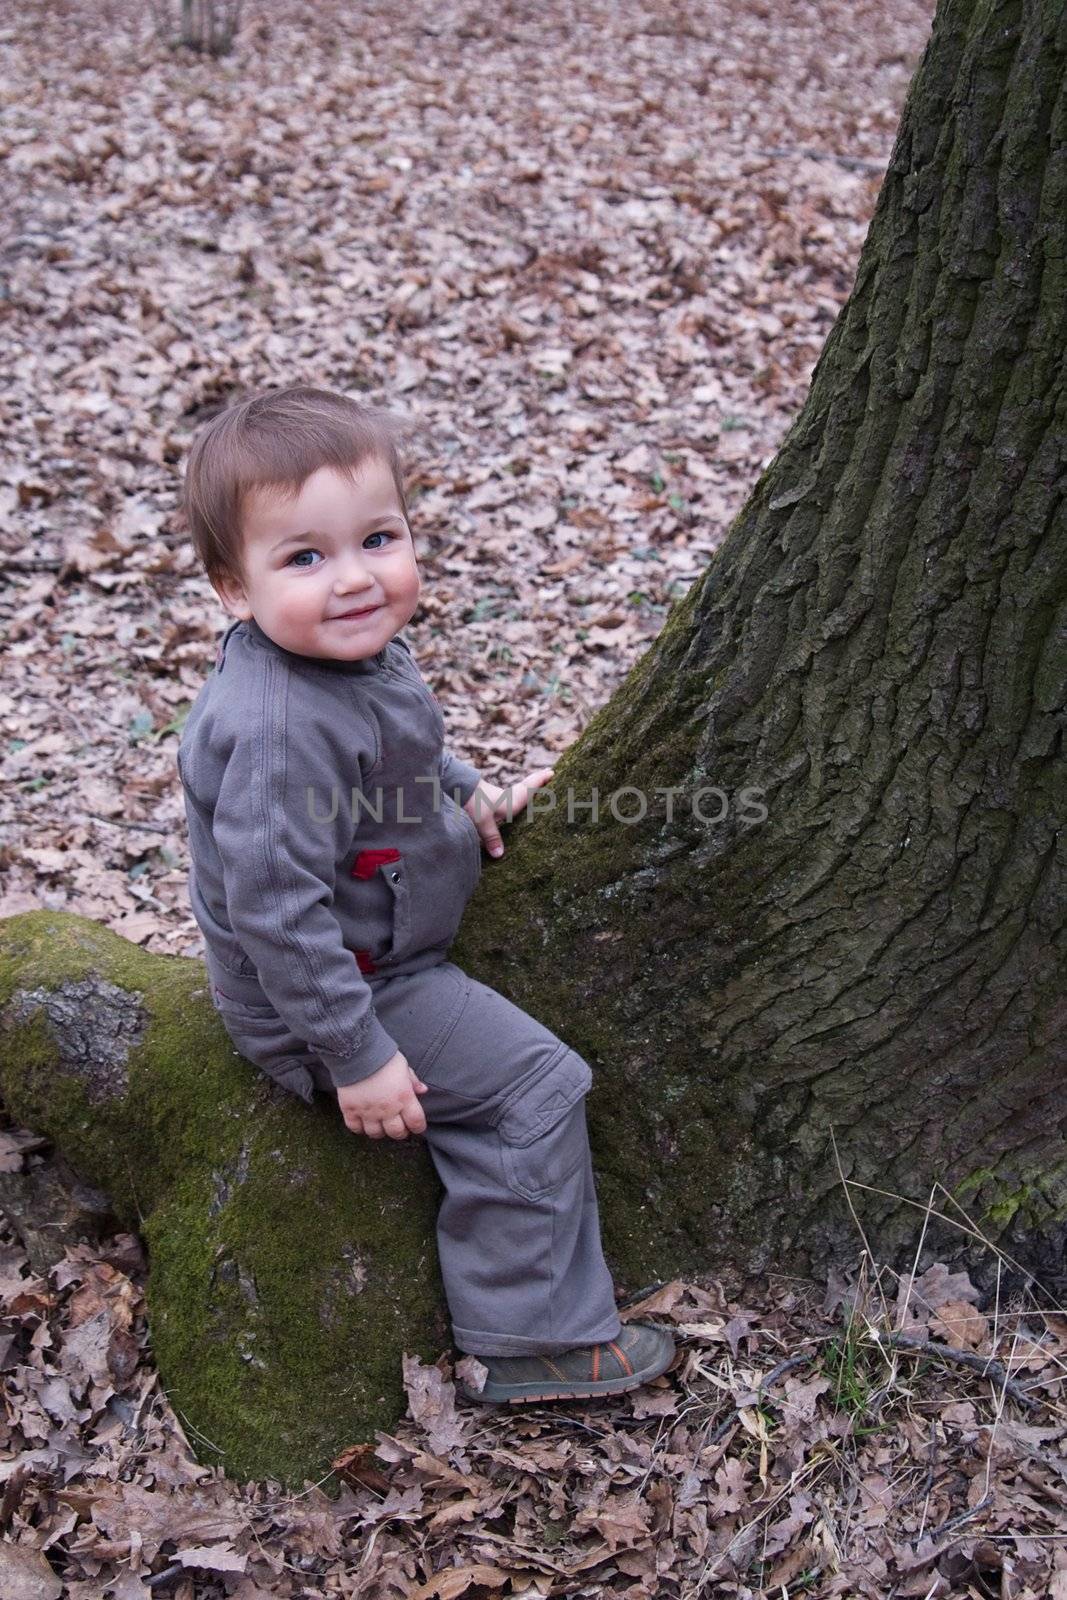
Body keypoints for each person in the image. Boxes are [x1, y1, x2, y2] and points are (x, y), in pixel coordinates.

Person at [177, 385, 675, 1404]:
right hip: (335, 994)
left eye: (378, 537)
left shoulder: (348, 656)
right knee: (535, 1086)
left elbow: (401, 753)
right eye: (304, 557)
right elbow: (274, 906)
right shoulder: (278, 725)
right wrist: (353, 1056)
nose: (355, 578)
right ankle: (531, 1335)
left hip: (374, 942)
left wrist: (458, 798)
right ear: (234, 588)